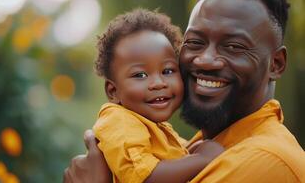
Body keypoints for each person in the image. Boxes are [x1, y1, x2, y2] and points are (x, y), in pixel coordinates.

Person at [64, 0, 305, 182]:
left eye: (233, 46)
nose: (206, 60)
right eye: (195, 43)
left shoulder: (266, 161)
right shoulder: (198, 145)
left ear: (276, 64)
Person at [92, 9, 224, 183]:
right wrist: (202, 159)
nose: (158, 83)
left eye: (167, 71)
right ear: (113, 91)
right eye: (140, 75)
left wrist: (193, 149)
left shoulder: (157, 127)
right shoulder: (118, 121)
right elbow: (146, 177)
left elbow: (173, 157)